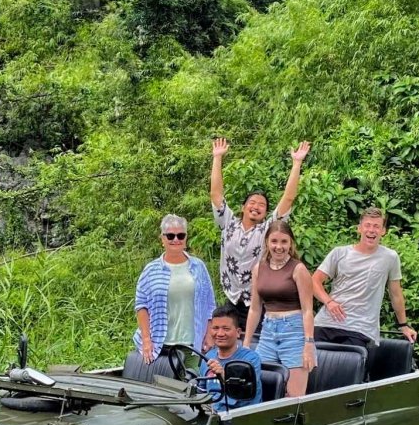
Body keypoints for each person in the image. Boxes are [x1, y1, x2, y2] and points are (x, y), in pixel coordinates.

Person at [210, 137, 311, 312]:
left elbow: (288, 198)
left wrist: (296, 163)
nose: (256, 207)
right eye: (252, 202)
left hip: (258, 303)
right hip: (231, 299)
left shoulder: (267, 230)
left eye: (262, 205)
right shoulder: (228, 223)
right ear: (243, 207)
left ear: (266, 212)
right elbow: (216, 194)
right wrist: (217, 158)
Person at [312, 207, 417, 349]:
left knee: (348, 367)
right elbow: (314, 281)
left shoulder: (390, 257)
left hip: (360, 329)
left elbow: (395, 294)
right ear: (359, 228)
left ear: (383, 231)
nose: (371, 230)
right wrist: (329, 302)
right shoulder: (339, 253)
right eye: (367, 225)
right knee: (307, 361)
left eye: (376, 226)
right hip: (324, 323)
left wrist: (403, 325)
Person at [132, 214, 217, 380]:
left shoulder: (198, 267)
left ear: (186, 238)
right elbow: (141, 306)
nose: (175, 239)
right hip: (159, 345)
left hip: (192, 343)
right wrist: (146, 339)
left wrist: (209, 334)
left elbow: (210, 304)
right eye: (170, 236)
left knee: (190, 387)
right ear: (162, 239)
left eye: (180, 235)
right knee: (159, 391)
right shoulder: (151, 270)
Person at [242, 219, 316, 397]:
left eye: (284, 241)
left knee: (293, 395)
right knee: (261, 386)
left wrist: (308, 344)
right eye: (274, 241)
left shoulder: (298, 269)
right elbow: (255, 308)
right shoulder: (259, 268)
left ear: (291, 243)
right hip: (268, 332)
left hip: (294, 331)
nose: (279, 247)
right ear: (267, 242)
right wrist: (245, 343)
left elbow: (307, 310)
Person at [197, 307, 263, 410]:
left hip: (239, 416)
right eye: (215, 328)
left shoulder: (250, 359)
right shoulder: (209, 356)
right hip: (210, 413)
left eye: (226, 329)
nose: (220, 334)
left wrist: (224, 375)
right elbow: (201, 392)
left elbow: (245, 393)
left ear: (238, 332)